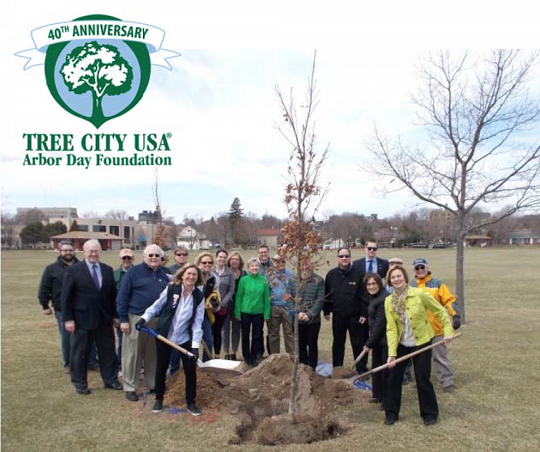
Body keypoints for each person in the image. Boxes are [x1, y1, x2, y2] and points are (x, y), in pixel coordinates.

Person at [384, 265, 454, 426]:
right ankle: (391, 413)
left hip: (421, 342)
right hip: (402, 344)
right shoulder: (388, 301)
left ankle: (429, 413)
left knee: (423, 378)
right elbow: (391, 328)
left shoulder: (419, 294)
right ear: (389, 281)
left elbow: (440, 311)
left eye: (399, 276)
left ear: (405, 277)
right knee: (394, 378)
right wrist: (392, 353)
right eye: (393, 277)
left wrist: (448, 330)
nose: (396, 279)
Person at [135, 264, 205, 416]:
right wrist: (144, 319)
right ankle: (159, 399)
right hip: (165, 335)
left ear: (197, 278)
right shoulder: (172, 289)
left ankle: (191, 402)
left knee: (190, 370)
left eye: (194, 275)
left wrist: (194, 347)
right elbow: (156, 306)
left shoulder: (198, 296)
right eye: (189, 274)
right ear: (182, 275)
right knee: (161, 367)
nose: (191, 277)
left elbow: (197, 323)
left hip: (184, 338)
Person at [61, 239, 122, 395]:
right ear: (84, 252)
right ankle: (80, 383)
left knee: (107, 351)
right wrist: (68, 319)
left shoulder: (107, 270)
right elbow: (66, 297)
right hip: (82, 320)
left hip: (104, 319)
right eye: (91, 251)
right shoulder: (73, 271)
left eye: (96, 251)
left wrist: (115, 316)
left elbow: (112, 296)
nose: (94, 254)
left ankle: (110, 380)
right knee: (80, 353)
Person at [116, 244, 169, 402]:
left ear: (161, 258)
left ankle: (152, 383)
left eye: (157, 255)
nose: (154, 258)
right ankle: (130, 387)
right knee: (132, 354)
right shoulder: (134, 272)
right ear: (144, 257)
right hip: (136, 318)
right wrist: (124, 320)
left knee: (152, 354)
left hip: (156, 320)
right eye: (150, 255)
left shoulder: (164, 274)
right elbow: (122, 297)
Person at [410, 258, 460, 392]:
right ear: (414, 270)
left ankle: (447, 383)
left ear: (427, 267)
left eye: (422, 267)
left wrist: (455, 315)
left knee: (440, 357)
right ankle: (422, 381)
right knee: (420, 359)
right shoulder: (411, 285)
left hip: (436, 329)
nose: (420, 270)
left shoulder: (437, 284)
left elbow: (449, 300)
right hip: (419, 331)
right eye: (417, 268)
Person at [323, 248, 366, 373]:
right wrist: (326, 311)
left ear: (350, 257)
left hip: (355, 317)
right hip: (338, 316)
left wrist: (364, 313)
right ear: (338, 258)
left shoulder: (359, 273)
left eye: (346, 256)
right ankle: (337, 368)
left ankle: (361, 369)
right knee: (338, 344)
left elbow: (364, 295)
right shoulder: (331, 275)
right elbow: (327, 294)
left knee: (358, 344)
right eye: (341, 256)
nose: (344, 258)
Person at [352, 239, 390, 372]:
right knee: (362, 339)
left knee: (379, 335)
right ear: (365, 248)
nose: (372, 251)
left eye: (374, 249)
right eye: (369, 248)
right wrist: (363, 311)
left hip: (380, 305)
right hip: (363, 309)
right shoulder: (356, 264)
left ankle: (381, 366)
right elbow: (357, 290)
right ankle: (362, 368)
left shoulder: (384, 264)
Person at [234, 258, 271, 366]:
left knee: (257, 336)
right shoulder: (244, 280)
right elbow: (239, 297)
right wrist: (237, 312)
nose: (254, 267)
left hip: (258, 313)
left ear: (259, 268)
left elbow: (266, 298)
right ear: (248, 268)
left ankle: (254, 357)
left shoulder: (263, 280)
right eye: (252, 266)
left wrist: (266, 314)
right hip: (245, 312)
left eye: (256, 266)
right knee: (245, 335)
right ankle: (246, 356)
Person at [288, 268, 325, 370]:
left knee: (312, 345)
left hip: (313, 321)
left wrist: (309, 314)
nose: (305, 266)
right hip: (297, 320)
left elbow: (320, 299)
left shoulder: (319, 280)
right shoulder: (292, 280)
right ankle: (303, 367)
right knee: (300, 345)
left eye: (307, 263)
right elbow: (287, 298)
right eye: (303, 263)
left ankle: (312, 368)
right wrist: (296, 313)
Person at [362, 273, 390, 407]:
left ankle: (386, 399)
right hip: (377, 340)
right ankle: (378, 395)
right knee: (376, 368)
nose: (371, 286)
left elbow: (380, 324)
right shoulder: (374, 297)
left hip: (385, 340)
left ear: (379, 283)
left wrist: (368, 343)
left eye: (374, 283)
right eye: (368, 284)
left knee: (385, 370)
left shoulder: (384, 298)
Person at [167, 246, 190, 374]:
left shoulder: (191, 269)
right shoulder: (169, 270)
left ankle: (187, 368)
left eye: (184, 254)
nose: (181, 256)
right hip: (174, 310)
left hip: (187, 309)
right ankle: (174, 369)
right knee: (174, 340)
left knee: (187, 340)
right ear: (175, 256)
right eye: (179, 254)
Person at [195, 252, 220, 361]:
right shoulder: (193, 275)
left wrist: (214, 306)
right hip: (190, 314)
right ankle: (191, 366)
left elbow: (216, 296)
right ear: (199, 264)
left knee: (209, 341)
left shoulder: (214, 279)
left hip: (204, 314)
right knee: (192, 342)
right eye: (204, 262)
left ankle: (206, 366)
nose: (207, 264)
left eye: (210, 262)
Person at [267, 255, 294, 355]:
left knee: (289, 333)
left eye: (283, 262)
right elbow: (267, 291)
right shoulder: (269, 275)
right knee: (273, 334)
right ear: (274, 263)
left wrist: (288, 300)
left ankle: (291, 357)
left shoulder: (291, 275)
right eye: (277, 262)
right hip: (274, 307)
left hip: (287, 307)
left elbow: (293, 291)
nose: (280, 264)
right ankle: (275, 357)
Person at [113, 249, 135, 375]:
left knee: (137, 342)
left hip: (136, 312)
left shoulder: (138, 272)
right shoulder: (115, 274)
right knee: (123, 342)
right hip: (121, 313)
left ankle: (138, 365)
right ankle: (121, 366)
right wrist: (115, 316)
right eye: (124, 258)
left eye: (129, 258)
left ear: (133, 259)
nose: (126, 260)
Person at [211, 249, 235, 358]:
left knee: (218, 332)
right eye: (220, 257)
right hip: (209, 307)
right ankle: (207, 355)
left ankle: (217, 355)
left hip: (222, 308)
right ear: (216, 257)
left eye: (224, 257)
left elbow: (231, 290)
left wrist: (222, 303)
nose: (222, 259)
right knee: (209, 332)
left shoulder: (229, 273)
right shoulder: (210, 270)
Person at [223, 251, 246, 360]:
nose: (235, 261)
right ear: (229, 261)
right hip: (227, 304)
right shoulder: (225, 273)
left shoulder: (244, 274)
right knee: (225, 329)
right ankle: (226, 352)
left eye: (237, 259)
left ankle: (234, 352)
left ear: (240, 261)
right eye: (233, 259)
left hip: (239, 306)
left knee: (237, 329)